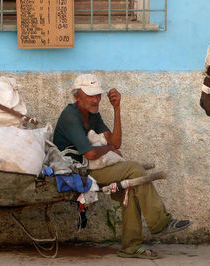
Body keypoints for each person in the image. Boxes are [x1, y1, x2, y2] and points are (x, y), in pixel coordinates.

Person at [53, 74, 190, 259]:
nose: (96, 100)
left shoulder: (92, 114)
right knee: (134, 169)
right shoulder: (71, 116)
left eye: (98, 95)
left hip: (89, 167)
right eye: (91, 95)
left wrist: (117, 109)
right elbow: (91, 153)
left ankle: (131, 248)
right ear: (77, 96)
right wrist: (108, 148)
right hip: (76, 172)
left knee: (132, 188)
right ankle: (159, 222)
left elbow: (116, 142)